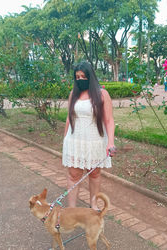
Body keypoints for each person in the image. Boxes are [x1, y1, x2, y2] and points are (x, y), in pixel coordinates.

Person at [62, 61, 116, 210]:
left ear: (90, 77)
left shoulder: (102, 94)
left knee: (94, 174)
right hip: (75, 141)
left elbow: (109, 120)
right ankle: (71, 210)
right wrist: (65, 139)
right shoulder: (73, 94)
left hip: (95, 141)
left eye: (83, 76)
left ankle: (93, 204)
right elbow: (69, 117)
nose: (80, 80)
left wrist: (110, 142)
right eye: (77, 77)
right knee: (73, 175)